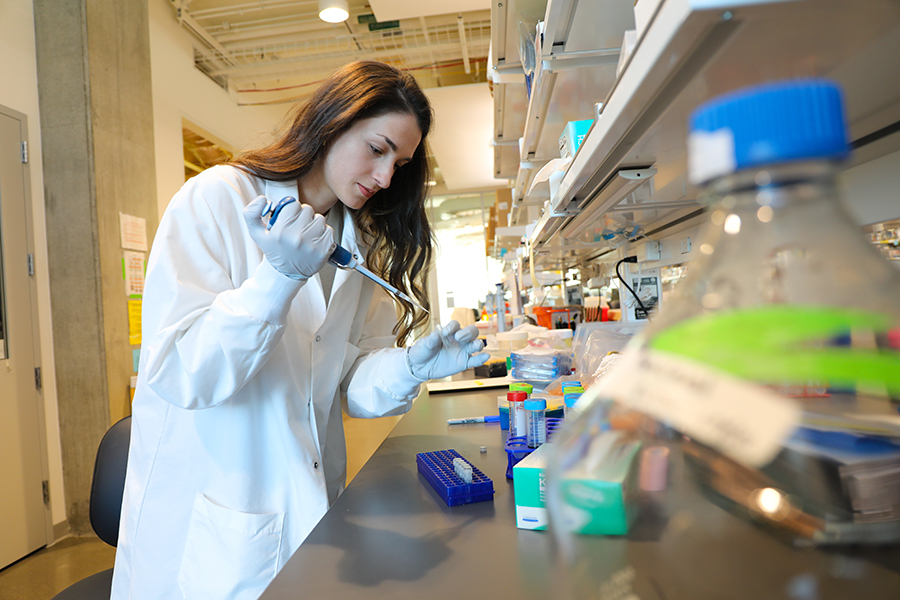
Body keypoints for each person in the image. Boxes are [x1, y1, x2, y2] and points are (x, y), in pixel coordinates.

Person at [111, 60, 489, 600]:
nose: (385, 177)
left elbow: (349, 382)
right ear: (333, 121)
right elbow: (180, 373)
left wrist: (408, 366)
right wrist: (277, 278)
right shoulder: (218, 201)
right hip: (218, 519)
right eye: (377, 149)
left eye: (399, 164)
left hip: (313, 507)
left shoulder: (358, 241)